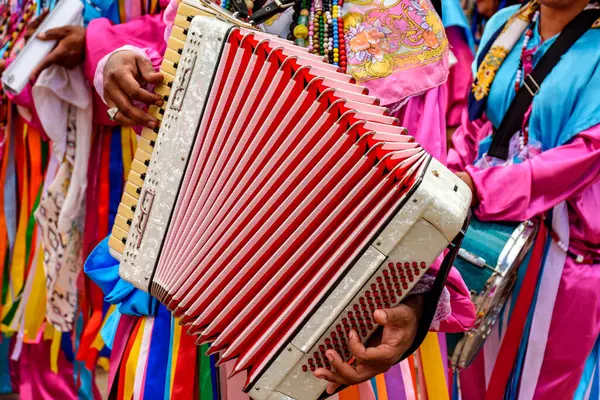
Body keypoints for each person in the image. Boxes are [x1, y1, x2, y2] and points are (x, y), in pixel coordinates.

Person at [85, 0, 477, 397]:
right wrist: (122, 63)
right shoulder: (206, 5)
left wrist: (413, 307)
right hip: (185, 286)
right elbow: (158, 63)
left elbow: (425, 201)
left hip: (331, 326)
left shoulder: (398, 21)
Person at [448, 0, 600, 398]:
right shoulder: (507, 24)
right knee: (473, 374)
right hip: (487, 241)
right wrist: (451, 177)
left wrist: (480, 189)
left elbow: (584, 156)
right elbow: (476, 122)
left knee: (544, 386)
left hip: (565, 253)